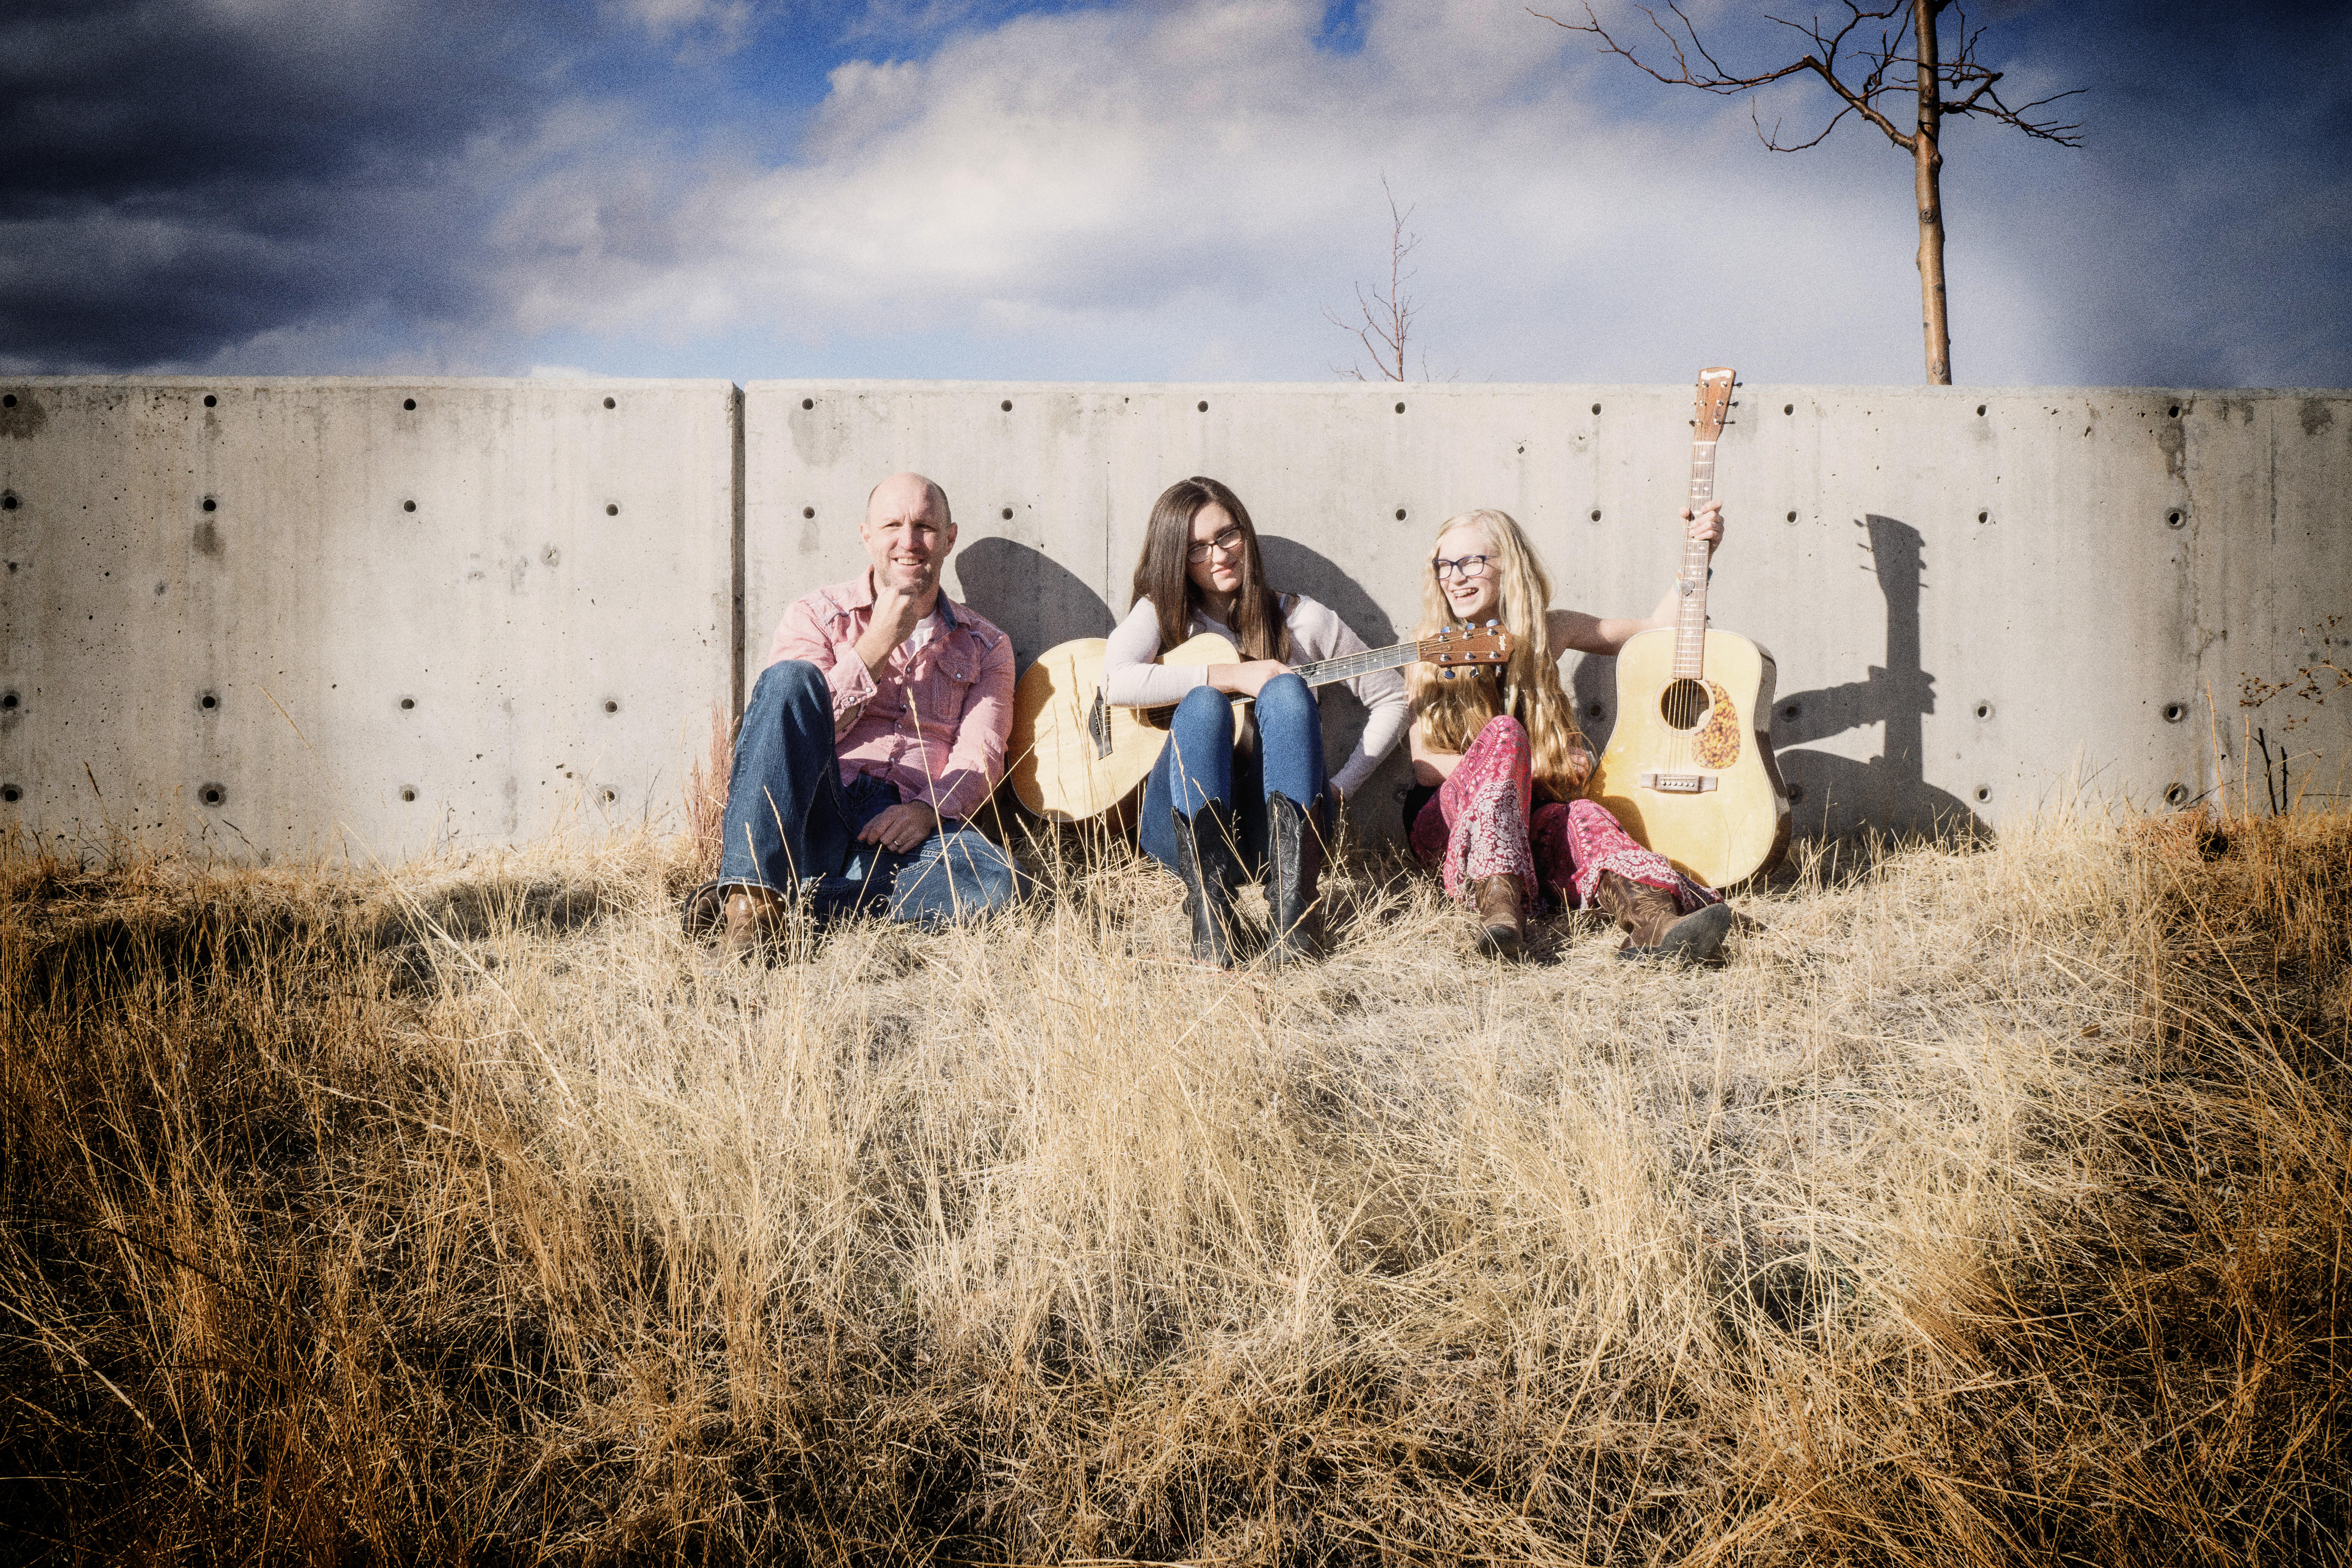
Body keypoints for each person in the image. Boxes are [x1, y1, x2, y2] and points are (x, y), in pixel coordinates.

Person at [1405, 504, 1738, 962]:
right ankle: (1499, 913)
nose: (1455, 577)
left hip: (1527, 828)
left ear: (1509, 565)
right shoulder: (1427, 648)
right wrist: (1533, 764)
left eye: (1471, 562)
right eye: (1444, 565)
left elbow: (1654, 631)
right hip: (1446, 828)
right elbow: (1424, 768)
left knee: (1584, 812)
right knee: (1505, 732)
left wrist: (1698, 557)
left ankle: (1655, 923)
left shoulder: (1549, 630)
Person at [1104, 476, 1408, 967]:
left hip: (1283, 838)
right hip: (1182, 837)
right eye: (1196, 548)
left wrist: (1339, 788)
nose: (1218, 555)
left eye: (1228, 535)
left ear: (1245, 532)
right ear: (1175, 558)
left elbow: (1394, 697)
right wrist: (1232, 675)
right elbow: (1115, 681)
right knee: (1204, 704)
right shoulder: (1161, 614)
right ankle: (1211, 921)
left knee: (1285, 690)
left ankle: (1295, 922)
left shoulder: (1303, 619)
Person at [715, 472, 1021, 957]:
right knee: (791, 679)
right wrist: (877, 645)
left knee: (999, 882)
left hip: (908, 831)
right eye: (892, 526)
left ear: (949, 538)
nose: (909, 541)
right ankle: (753, 905)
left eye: (924, 526)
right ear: (867, 536)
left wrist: (927, 811)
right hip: (818, 808)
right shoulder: (817, 614)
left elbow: (981, 753)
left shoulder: (987, 644)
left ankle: (797, 902)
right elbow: (794, 727)